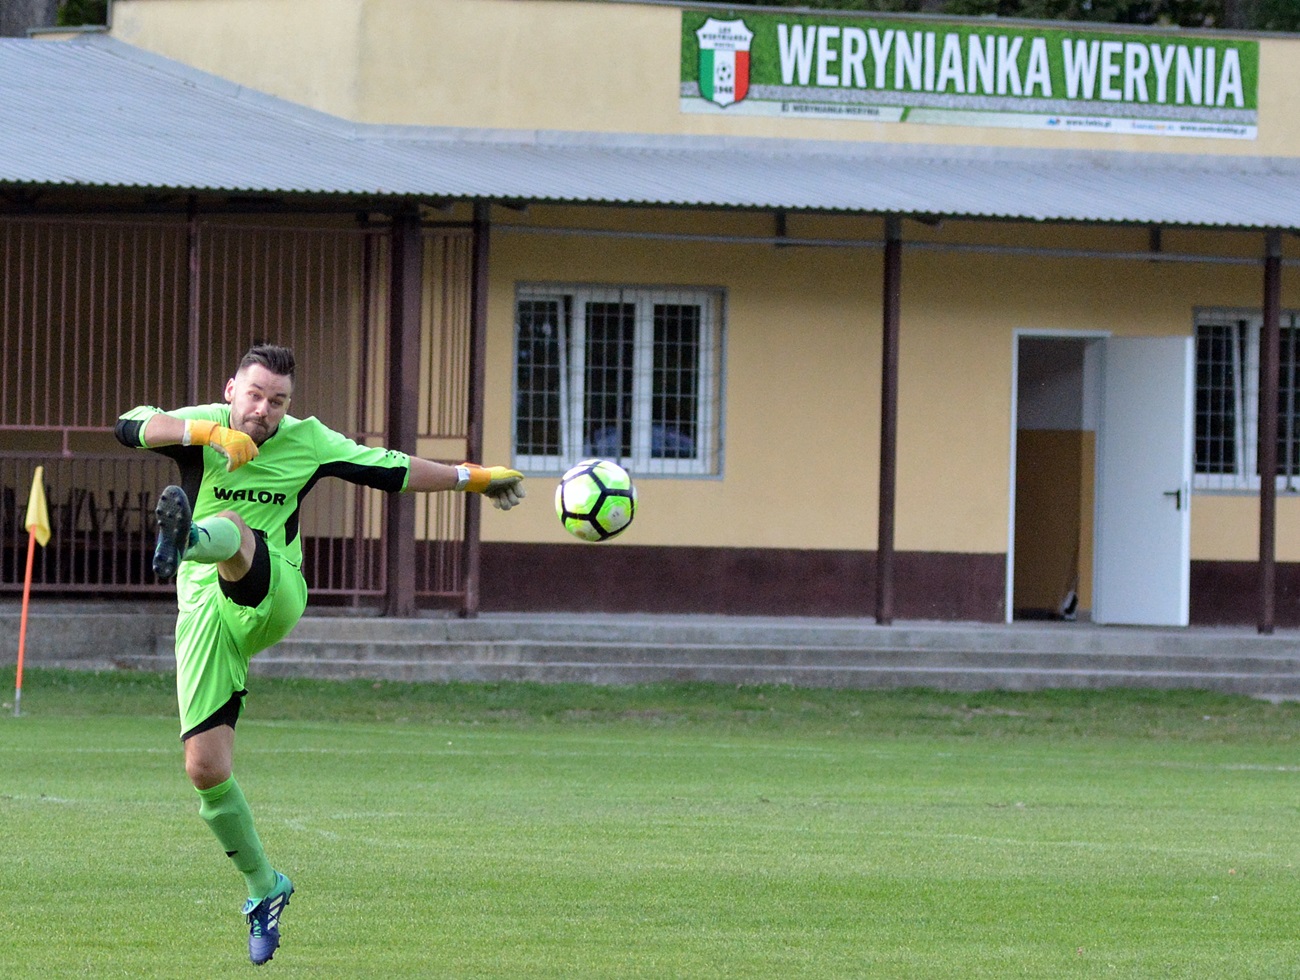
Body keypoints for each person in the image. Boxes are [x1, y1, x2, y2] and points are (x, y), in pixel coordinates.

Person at [114, 344, 524, 965]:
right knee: (206, 771)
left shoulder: (309, 442)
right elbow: (131, 425)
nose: (264, 410)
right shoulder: (201, 426)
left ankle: (190, 537)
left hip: (276, 588)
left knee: (235, 529)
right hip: (204, 614)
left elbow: (394, 470)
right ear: (232, 390)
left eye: (278, 401)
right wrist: (206, 434)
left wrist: (478, 478)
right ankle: (265, 886)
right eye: (254, 395)